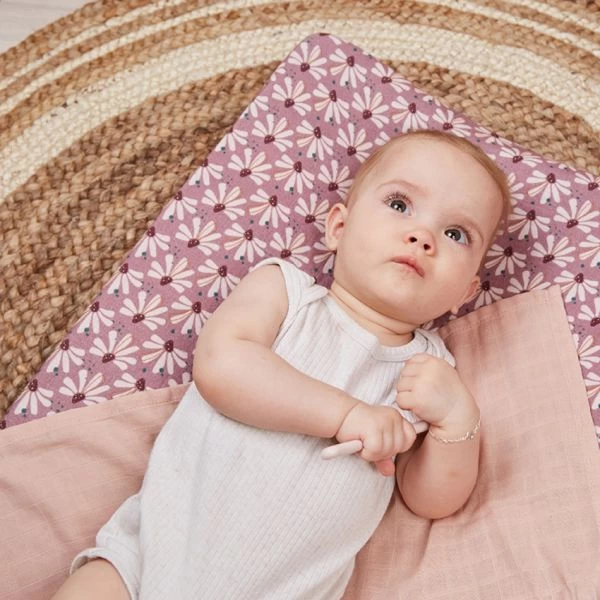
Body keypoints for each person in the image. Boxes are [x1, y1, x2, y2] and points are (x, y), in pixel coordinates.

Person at [52, 129, 511, 600]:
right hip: (148, 557)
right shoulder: (285, 293)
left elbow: (429, 500)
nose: (423, 237)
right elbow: (221, 367)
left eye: (456, 234)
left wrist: (458, 421)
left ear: (465, 292)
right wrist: (346, 415)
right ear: (339, 227)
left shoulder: (428, 372)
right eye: (399, 204)